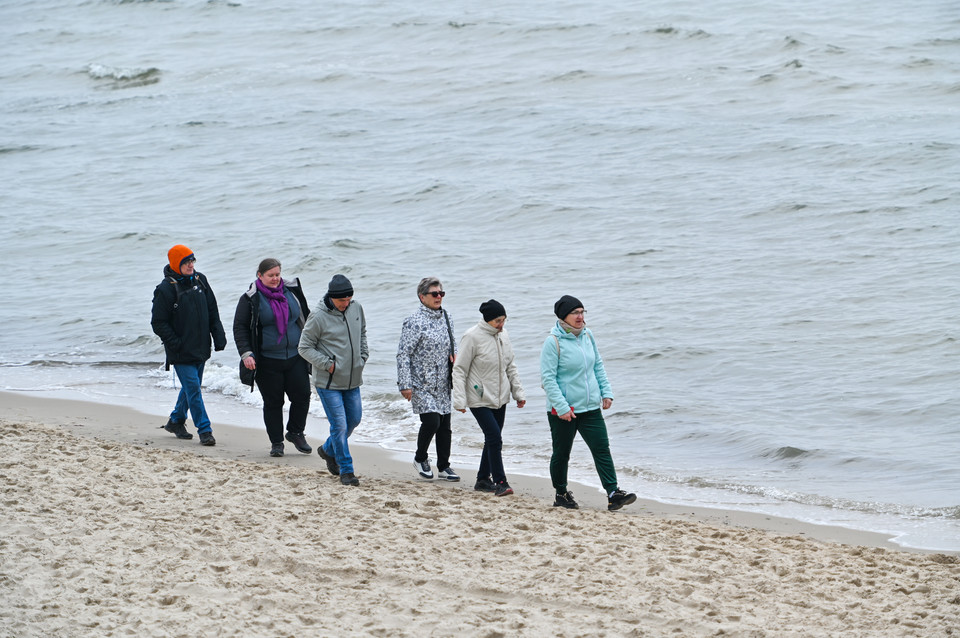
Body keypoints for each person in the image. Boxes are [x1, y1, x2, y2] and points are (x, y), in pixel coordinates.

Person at [540, 295, 636, 511]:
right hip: (565, 410)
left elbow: (597, 366)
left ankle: (613, 494)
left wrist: (606, 392)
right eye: (575, 313)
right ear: (564, 316)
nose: (580, 317)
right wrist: (562, 407)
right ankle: (561, 493)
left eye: (583, 312)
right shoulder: (552, 342)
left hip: (590, 407)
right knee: (561, 453)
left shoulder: (588, 335)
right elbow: (548, 379)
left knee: (602, 448)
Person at [233, 258, 313, 458]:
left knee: (302, 396)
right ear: (259, 275)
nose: (276, 279)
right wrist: (246, 353)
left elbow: (307, 317)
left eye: (278, 274)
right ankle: (277, 442)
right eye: (271, 275)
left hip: (296, 355)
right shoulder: (251, 298)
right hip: (267, 360)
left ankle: (295, 432)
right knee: (273, 402)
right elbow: (240, 328)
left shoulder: (291, 291)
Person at [151, 244, 227, 446]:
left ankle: (176, 420)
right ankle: (205, 430)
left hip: (201, 347)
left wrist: (218, 335)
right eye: (186, 262)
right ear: (176, 264)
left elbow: (212, 309)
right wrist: (176, 343)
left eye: (192, 260)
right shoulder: (165, 289)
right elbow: (158, 323)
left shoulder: (201, 280)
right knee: (193, 388)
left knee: (189, 388)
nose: (191, 265)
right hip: (180, 351)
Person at [298, 274, 368, 486]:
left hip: (353, 379)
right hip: (328, 383)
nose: (345, 305)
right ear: (331, 297)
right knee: (339, 425)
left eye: (348, 300)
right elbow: (304, 347)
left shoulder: (356, 308)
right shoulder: (318, 316)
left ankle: (328, 449)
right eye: (341, 301)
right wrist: (328, 364)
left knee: (354, 420)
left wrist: (363, 355)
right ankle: (346, 470)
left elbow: (362, 333)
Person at [452, 299, 526, 496]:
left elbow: (510, 365)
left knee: (492, 438)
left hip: (500, 397)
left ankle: (483, 480)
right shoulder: (471, 337)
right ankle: (501, 481)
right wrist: (459, 400)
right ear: (487, 320)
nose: (501, 325)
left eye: (504, 320)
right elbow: (459, 370)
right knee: (494, 437)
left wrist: (518, 392)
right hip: (479, 397)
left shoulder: (504, 335)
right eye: (497, 321)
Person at [396, 277, 460, 482]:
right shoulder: (413, 321)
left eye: (441, 293)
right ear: (422, 297)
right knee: (432, 420)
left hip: (443, 380)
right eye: (434, 294)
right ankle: (420, 458)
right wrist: (405, 384)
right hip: (420, 381)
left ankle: (444, 466)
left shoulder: (447, 317)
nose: (439, 297)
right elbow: (403, 353)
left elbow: (453, 344)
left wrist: (455, 357)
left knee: (445, 425)